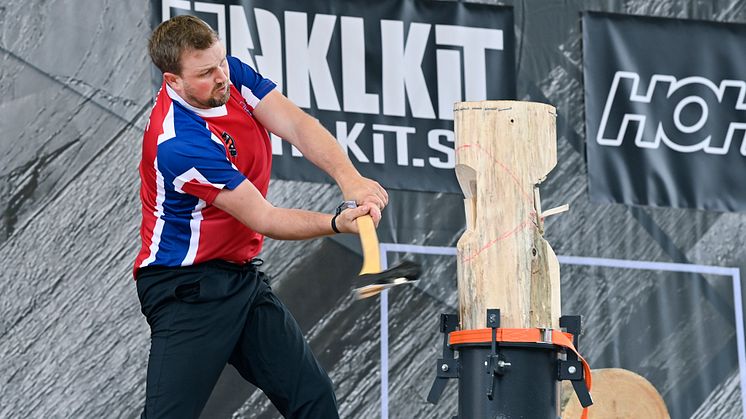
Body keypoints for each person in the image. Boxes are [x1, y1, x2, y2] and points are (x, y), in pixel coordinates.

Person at [133, 15, 387, 418]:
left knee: (313, 398)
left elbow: (298, 125)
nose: (221, 77)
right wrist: (338, 223)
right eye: (205, 72)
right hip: (185, 288)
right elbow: (264, 218)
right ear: (173, 81)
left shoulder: (229, 75)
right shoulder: (179, 144)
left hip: (239, 277)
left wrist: (350, 180)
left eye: (220, 62)